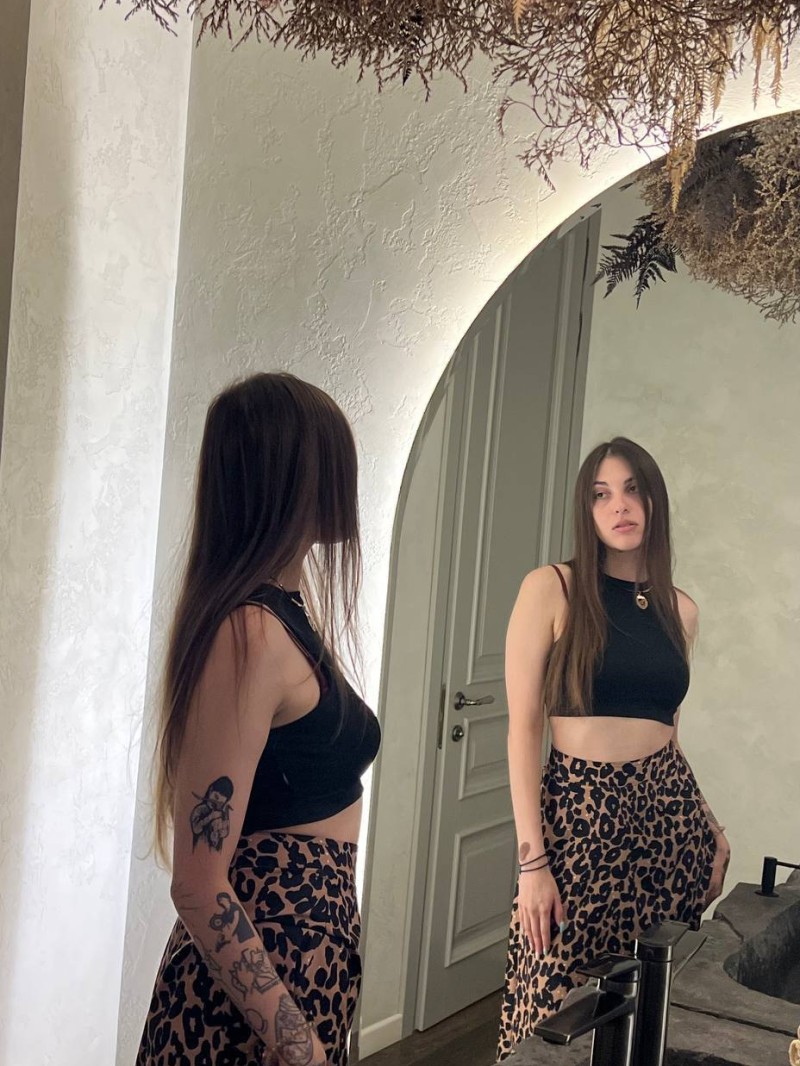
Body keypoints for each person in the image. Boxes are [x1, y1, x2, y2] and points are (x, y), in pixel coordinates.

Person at [136, 372, 381, 1066]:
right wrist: (294, 1039)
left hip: (302, 969)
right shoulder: (250, 632)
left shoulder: (284, 616)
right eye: (331, 458)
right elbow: (197, 882)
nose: (347, 480)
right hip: (257, 996)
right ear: (288, 478)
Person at [497, 436, 730, 1060]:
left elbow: (670, 735)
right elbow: (522, 729)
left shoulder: (681, 611)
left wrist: (710, 826)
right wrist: (531, 864)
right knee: (555, 1014)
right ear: (587, 510)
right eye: (601, 495)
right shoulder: (552, 587)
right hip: (578, 824)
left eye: (632, 490)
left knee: (649, 1018)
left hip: (667, 830)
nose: (619, 506)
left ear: (654, 501)